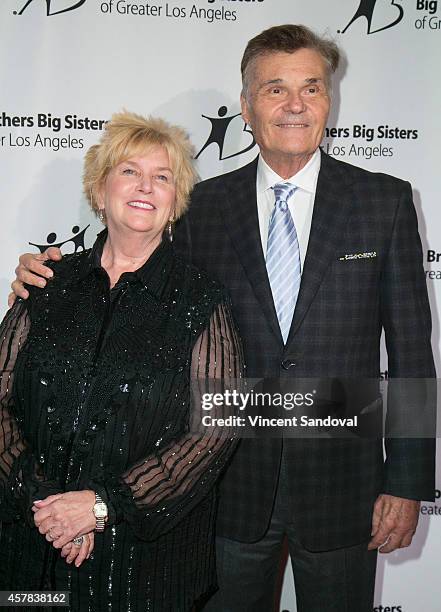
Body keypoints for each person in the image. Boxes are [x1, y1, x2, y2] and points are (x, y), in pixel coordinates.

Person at [10, 25, 435, 612]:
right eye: (274, 89)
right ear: (245, 106)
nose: (294, 105)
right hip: (222, 487)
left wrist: (407, 483)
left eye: (311, 89)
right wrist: (45, 272)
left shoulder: (384, 201)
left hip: (345, 484)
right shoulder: (199, 209)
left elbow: (412, 354)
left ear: (328, 101)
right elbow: (123, 288)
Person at [1, 111, 243, 611]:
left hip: (143, 566)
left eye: (163, 177)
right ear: (100, 185)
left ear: (176, 201)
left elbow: (215, 430)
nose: (145, 187)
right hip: (30, 544)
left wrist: (99, 506)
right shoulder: (47, 284)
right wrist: (44, 504)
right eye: (130, 170)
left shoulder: (201, 298)